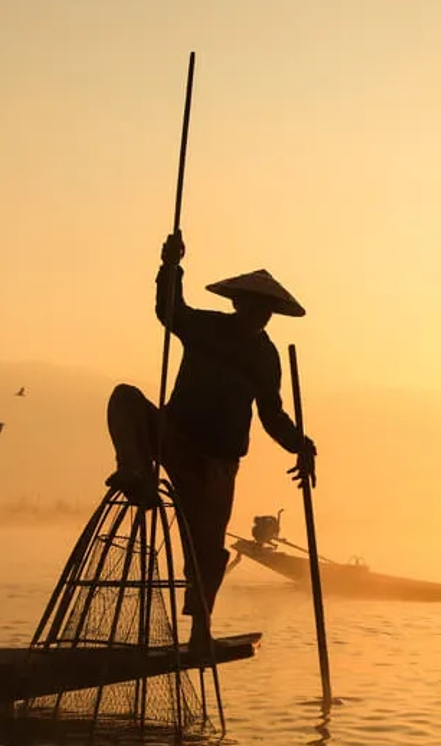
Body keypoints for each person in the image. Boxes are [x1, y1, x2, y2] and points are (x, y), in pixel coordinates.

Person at [105, 230, 316, 648]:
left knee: (208, 551)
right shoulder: (207, 327)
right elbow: (170, 311)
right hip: (175, 435)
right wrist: (171, 267)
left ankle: (201, 631)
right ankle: (135, 472)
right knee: (124, 399)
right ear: (238, 303)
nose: (261, 315)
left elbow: (272, 417)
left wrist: (302, 445)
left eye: (267, 310)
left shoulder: (264, 357)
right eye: (255, 306)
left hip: (217, 465)